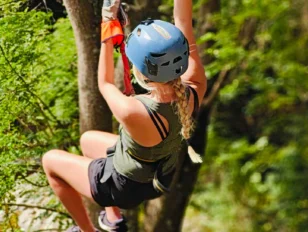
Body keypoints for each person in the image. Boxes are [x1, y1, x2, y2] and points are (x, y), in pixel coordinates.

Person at [42, 0, 207, 231]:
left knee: (50, 161)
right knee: (87, 141)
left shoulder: (134, 111)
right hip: (159, 177)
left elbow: (105, 83)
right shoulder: (195, 86)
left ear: (141, 71)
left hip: (123, 187)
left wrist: (108, 22)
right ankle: (113, 221)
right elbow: (183, 22)